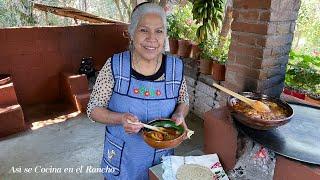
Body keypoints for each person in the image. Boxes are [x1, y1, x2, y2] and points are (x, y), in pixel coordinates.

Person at [87, 2, 190, 179]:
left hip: (161, 159)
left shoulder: (175, 68)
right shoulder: (115, 66)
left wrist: (180, 115)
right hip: (123, 159)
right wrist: (120, 118)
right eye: (144, 30)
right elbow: (93, 109)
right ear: (132, 33)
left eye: (159, 31)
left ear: (165, 35)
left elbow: (183, 100)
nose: (152, 38)